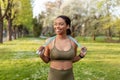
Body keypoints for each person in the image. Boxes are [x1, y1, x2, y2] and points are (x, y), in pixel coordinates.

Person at [37, 15, 87, 80]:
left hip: (69, 76)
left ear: (68, 26)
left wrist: (81, 55)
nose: (57, 26)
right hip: (54, 76)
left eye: (61, 24)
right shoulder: (49, 41)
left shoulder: (74, 42)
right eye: (55, 24)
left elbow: (72, 60)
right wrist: (42, 56)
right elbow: (47, 60)